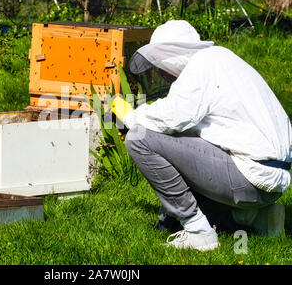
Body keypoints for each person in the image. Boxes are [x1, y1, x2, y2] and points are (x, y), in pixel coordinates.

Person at [111, 20, 292, 252]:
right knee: (174, 141)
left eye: (159, 62)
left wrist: (130, 118)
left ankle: (199, 233)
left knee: (139, 138)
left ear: (172, 53)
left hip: (249, 176)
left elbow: (172, 117)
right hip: (272, 182)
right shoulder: (222, 60)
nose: (159, 71)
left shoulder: (203, 65)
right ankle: (256, 218)